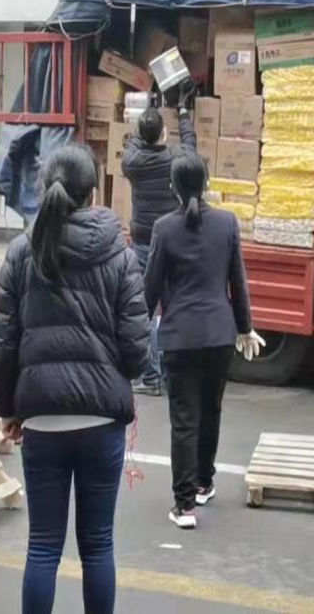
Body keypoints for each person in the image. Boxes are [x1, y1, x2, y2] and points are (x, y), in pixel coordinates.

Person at [0, 143, 149, 614]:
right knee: (98, 546)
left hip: (41, 422)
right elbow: (137, 350)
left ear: (45, 189)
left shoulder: (21, 252)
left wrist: (8, 409)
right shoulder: (119, 254)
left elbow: (3, 345)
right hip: (101, 422)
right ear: (93, 193)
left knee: (42, 547)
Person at [143, 151, 260, 529]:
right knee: (211, 410)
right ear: (207, 184)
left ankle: (184, 506)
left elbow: (151, 286)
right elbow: (237, 282)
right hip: (219, 335)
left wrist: (136, 327)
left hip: (179, 337)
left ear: (172, 188)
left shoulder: (164, 228)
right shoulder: (227, 223)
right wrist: (245, 327)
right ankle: (205, 482)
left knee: (184, 420)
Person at [122, 84, 198, 396]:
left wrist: (148, 114)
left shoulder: (132, 163)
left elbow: (135, 142)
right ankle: (167, 373)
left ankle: (151, 376)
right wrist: (182, 112)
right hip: (172, 241)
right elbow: (191, 146)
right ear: (164, 134)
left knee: (146, 310)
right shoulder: (175, 159)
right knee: (172, 308)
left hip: (143, 243)